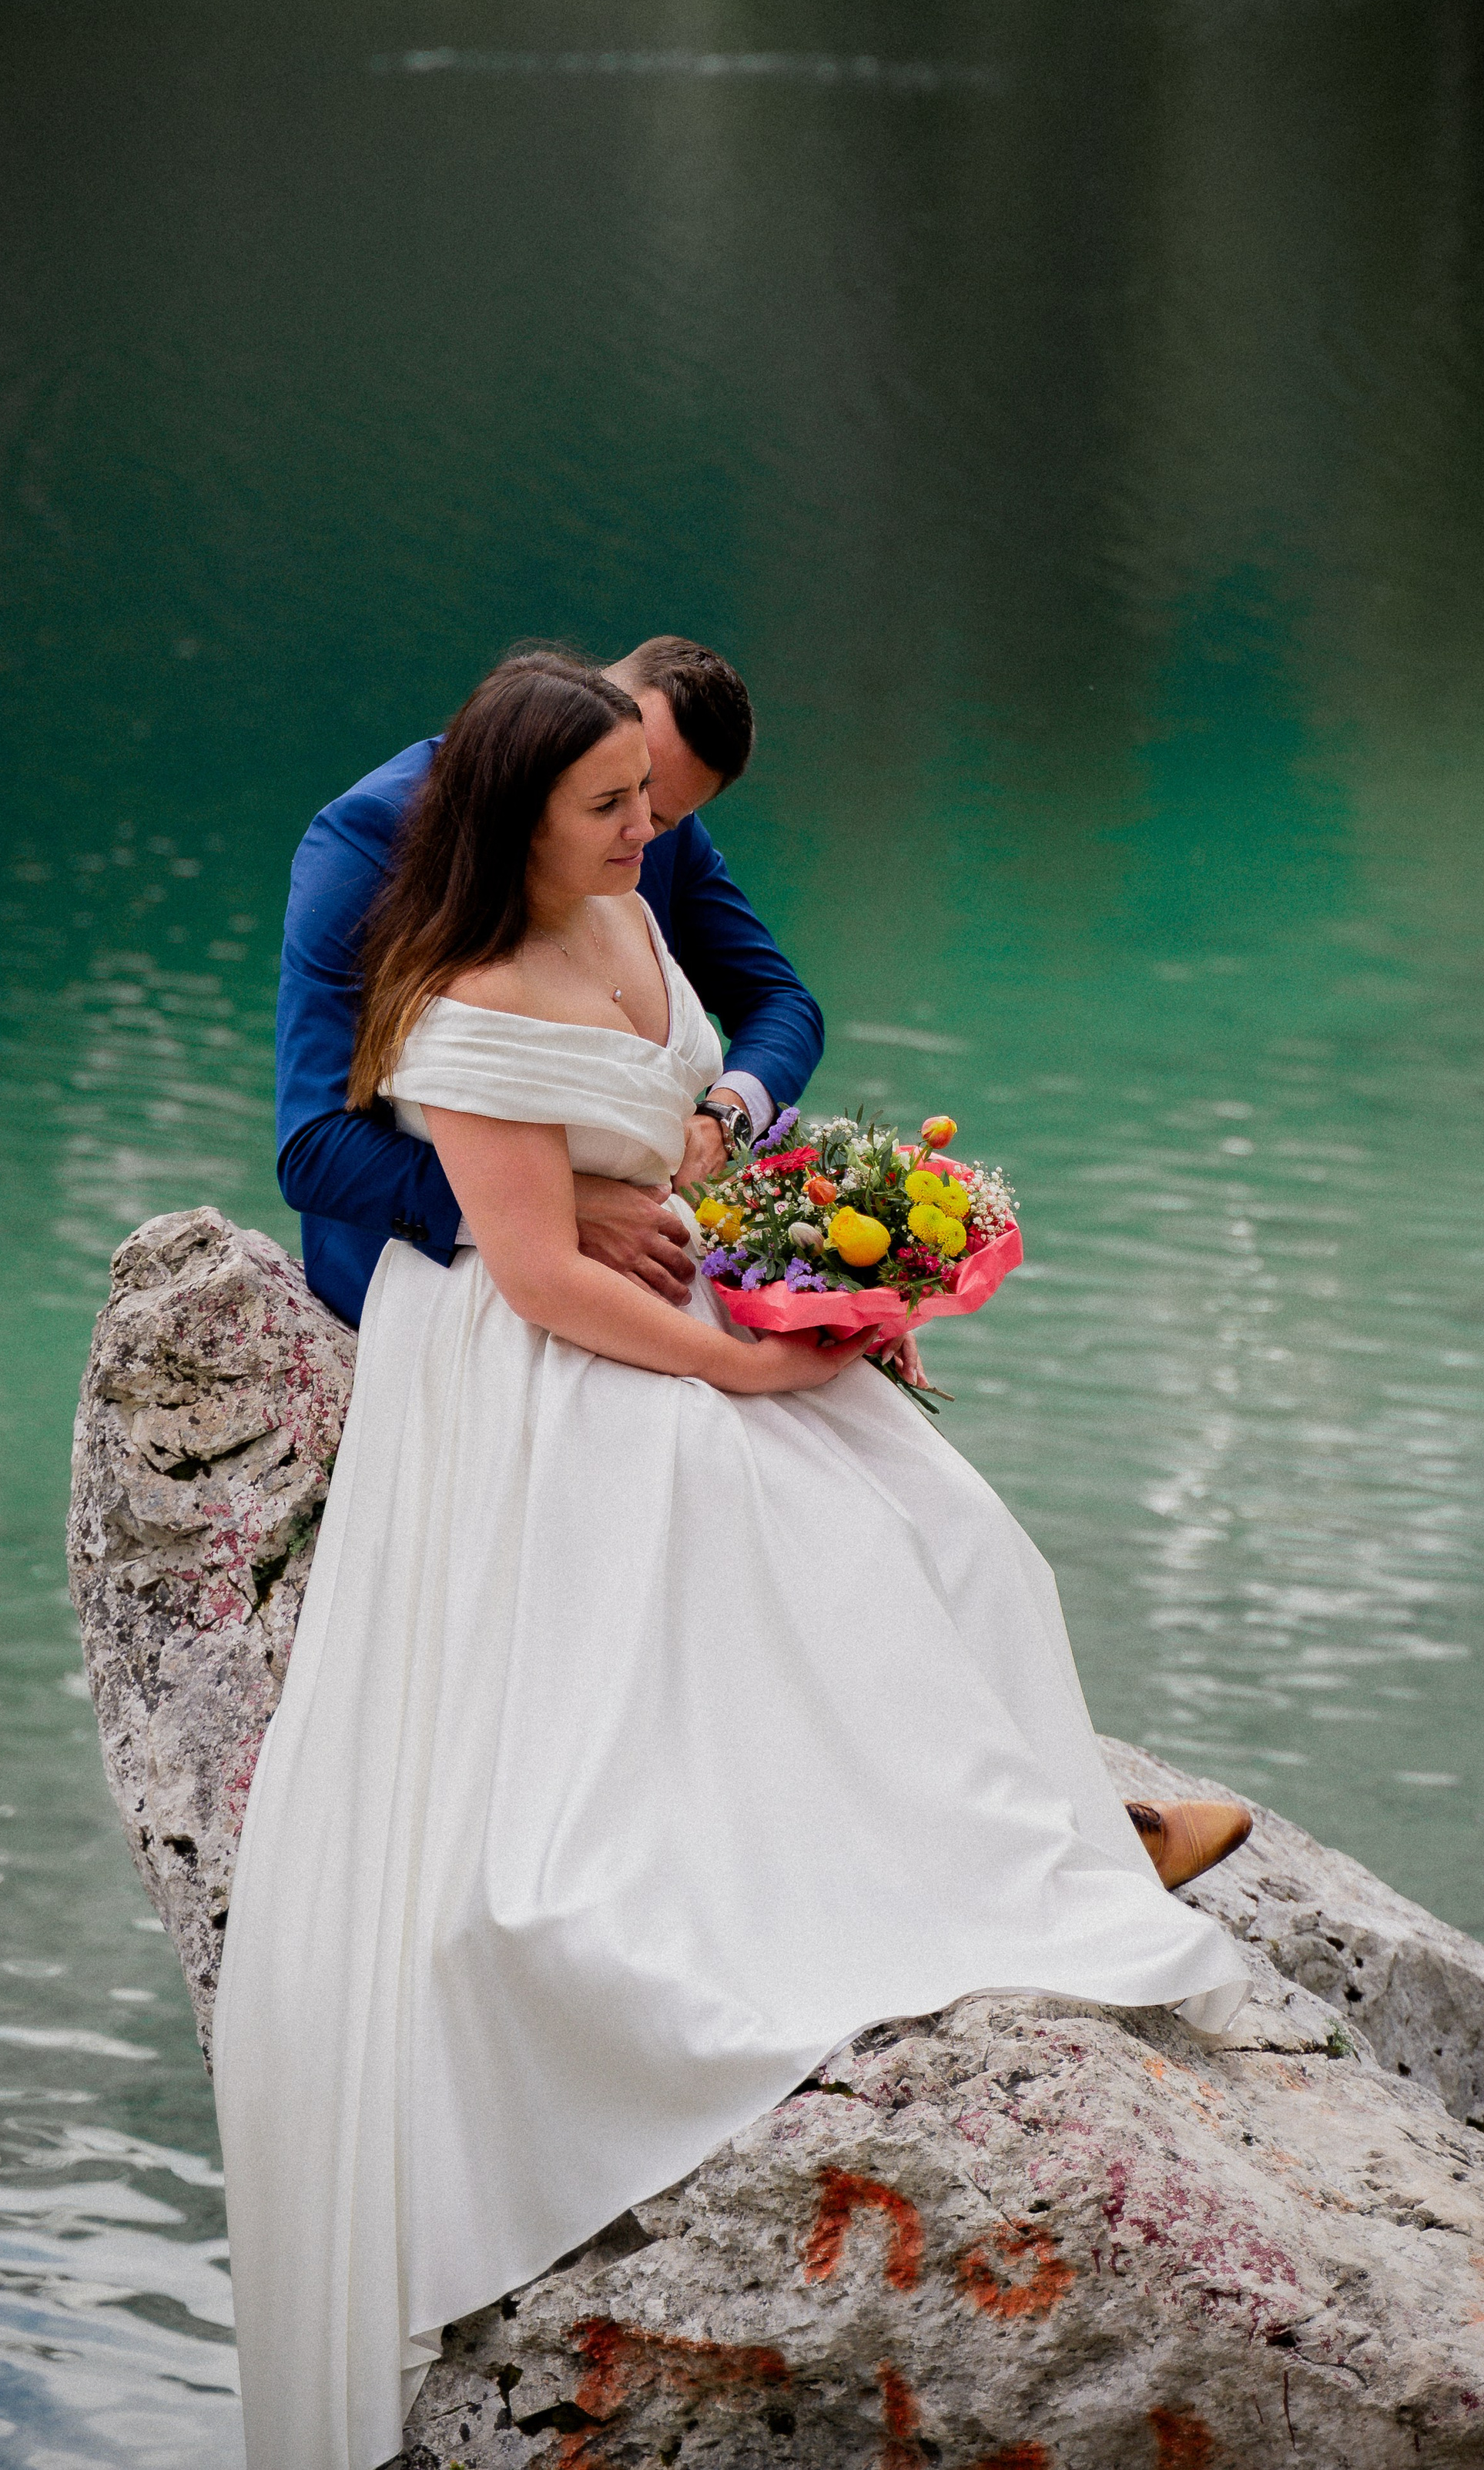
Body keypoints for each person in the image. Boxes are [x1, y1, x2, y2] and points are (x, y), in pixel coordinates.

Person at [213, 652, 1250, 2470]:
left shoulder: (631, 885)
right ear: (522, 807)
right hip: (527, 1331)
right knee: (755, 1541)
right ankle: (869, 1870)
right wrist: (707, 1330)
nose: (659, 837)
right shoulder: (418, 926)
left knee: (960, 1535)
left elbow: (757, 1021)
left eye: (658, 802)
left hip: (669, 1278)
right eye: (621, 807)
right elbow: (427, 1199)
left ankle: (1044, 1818)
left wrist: (798, 1267)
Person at [275, 635, 817, 1329]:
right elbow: (314, 1147)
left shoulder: (654, 822)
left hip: (652, 1256)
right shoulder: (363, 840)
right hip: (438, 1273)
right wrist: (561, 1205)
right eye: (614, 798)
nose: (641, 832)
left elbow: (780, 1003)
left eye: (658, 803)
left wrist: (724, 1120)